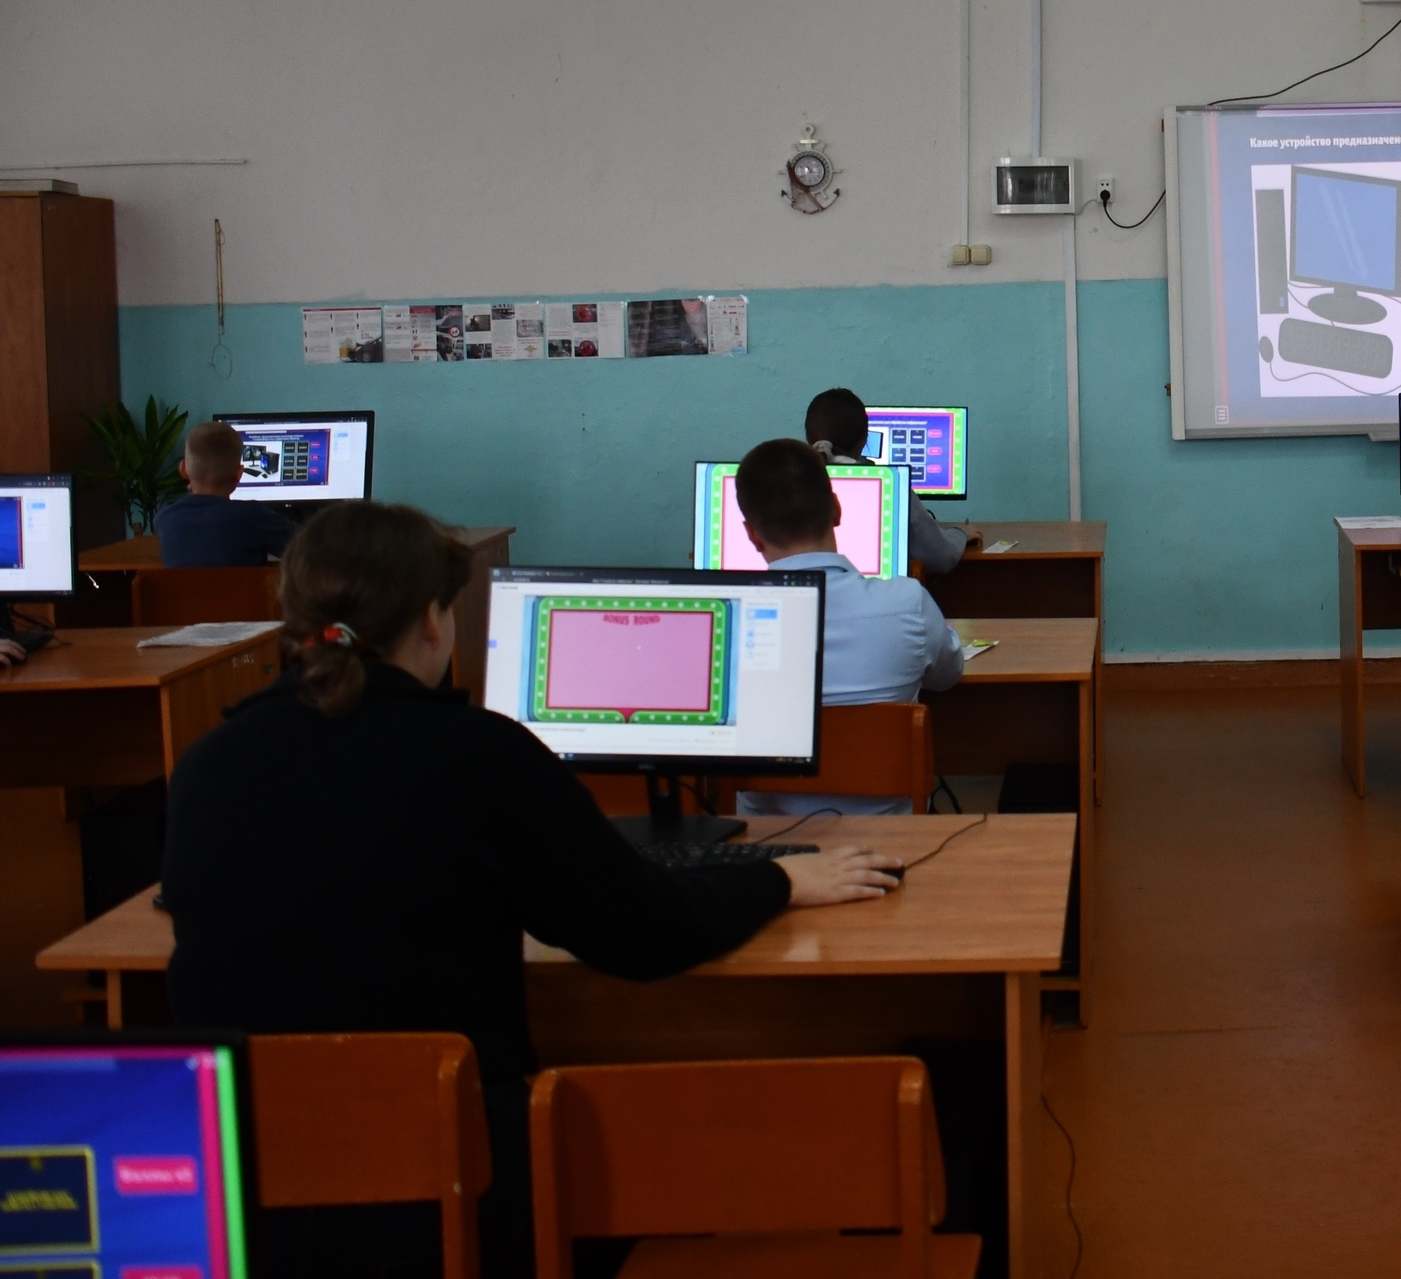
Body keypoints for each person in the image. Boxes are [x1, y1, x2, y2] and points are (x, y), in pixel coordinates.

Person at [163, 501, 902, 1279]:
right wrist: (778, 878)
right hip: (448, 1201)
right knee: (632, 1174)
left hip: (242, 1201)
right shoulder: (479, 754)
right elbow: (640, 933)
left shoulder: (208, 763)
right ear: (432, 621)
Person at [730, 438, 968, 820]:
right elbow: (949, 674)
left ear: (751, 535)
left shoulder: (722, 629)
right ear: (837, 509)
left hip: (769, 844)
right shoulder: (908, 603)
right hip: (894, 842)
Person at [806, 388, 978, 576]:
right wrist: (961, 533)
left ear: (809, 438)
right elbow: (941, 558)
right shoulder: (891, 486)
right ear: (864, 440)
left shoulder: (794, 483)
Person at [153, 420, 301, 567]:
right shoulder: (254, 517)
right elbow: (308, 547)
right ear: (239, 474)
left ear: (183, 470)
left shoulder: (164, 519)